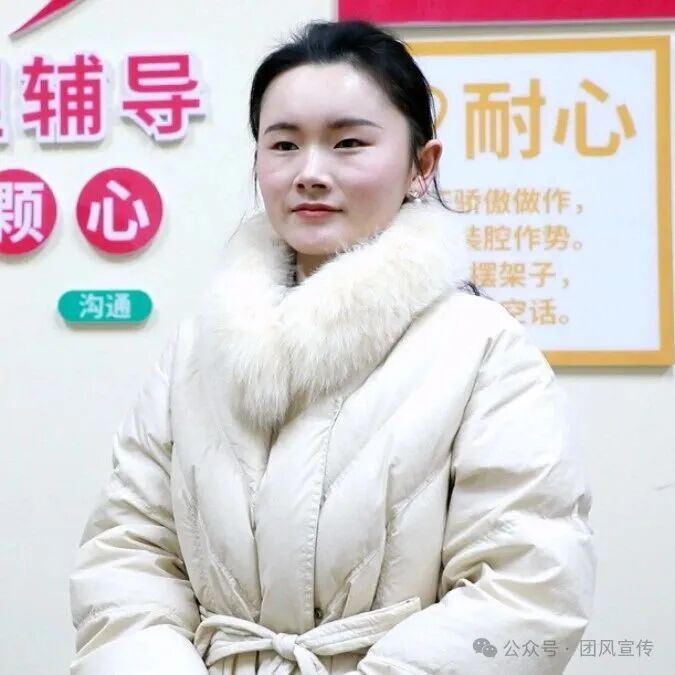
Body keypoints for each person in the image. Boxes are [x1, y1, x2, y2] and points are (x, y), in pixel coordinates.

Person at [69, 19, 596, 675]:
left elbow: (526, 589)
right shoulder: (199, 348)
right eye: (284, 144)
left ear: (421, 165)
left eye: (348, 142)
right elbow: (129, 552)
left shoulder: (483, 349)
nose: (310, 172)